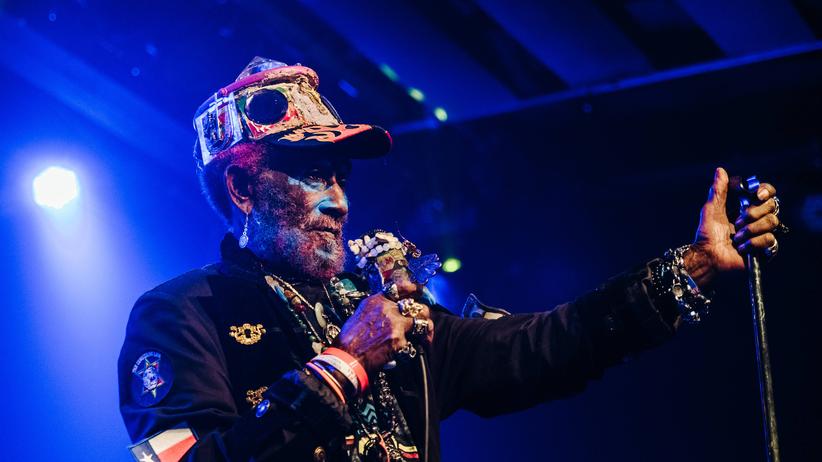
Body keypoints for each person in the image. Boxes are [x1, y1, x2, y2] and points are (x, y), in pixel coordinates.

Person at [118, 57, 782, 462]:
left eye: (341, 176)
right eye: (313, 173)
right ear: (242, 188)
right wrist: (345, 365)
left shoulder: (376, 307)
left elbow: (543, 345)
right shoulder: (183, 315)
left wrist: (692, 265)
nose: (339, 201)